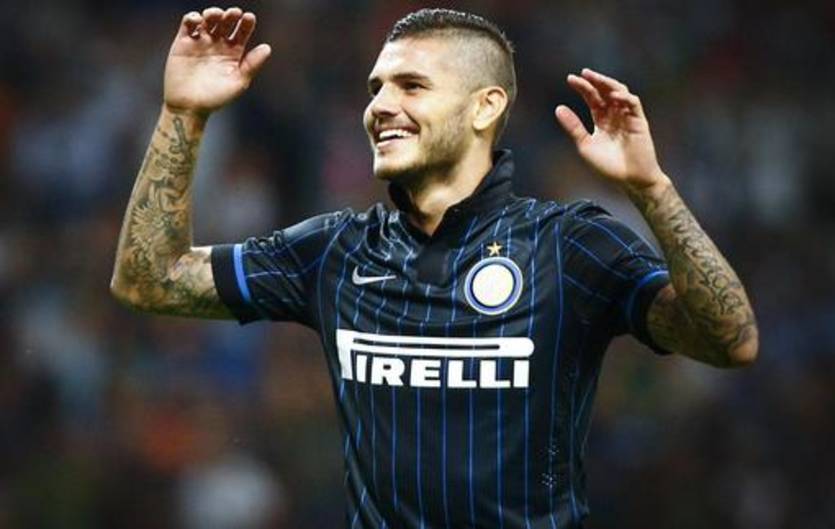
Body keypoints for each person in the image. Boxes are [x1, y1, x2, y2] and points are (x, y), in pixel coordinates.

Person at [111, 6, 758, 529]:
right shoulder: (336, 250)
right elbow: (149, 279)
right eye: (376, 88)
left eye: (411, 86)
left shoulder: (569, 246)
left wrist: (651, 190)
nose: (379, 106)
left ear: (484, 107)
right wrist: (184, 114)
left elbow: (729, 340)